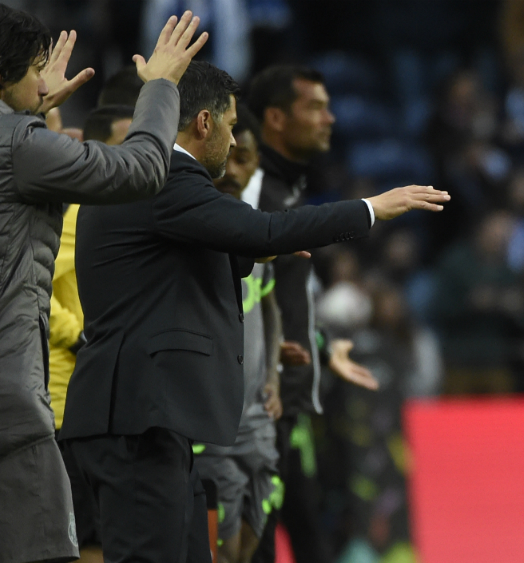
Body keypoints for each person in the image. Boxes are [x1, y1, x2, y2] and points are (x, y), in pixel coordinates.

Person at [59, 60, 449, 563]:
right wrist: (371, 208)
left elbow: (174, 264)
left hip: (147, 418)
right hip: (137, 418)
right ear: (204, 123)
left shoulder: (142, 178)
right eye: (229, 126)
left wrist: (253, 255)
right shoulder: (167, 177)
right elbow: (264, 230)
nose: (233, 140)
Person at [0, 5, 209, 562]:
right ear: (0, 72)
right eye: (33, 71)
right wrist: (160, 88)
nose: (44, 84)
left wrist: (28, 107)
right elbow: (142, 170)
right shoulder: (16, 145)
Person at [246, 65, 376, 563]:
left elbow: (287, 299)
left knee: (304, 535)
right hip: (260, 402)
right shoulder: (252, 192)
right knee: (254, 545)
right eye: (315, 107)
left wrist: (324, 346)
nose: (330, 118)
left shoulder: (286, 190)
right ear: (276, 118)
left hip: (289, 401)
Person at [193, 106, 283, 563]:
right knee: (222, 548)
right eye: (229, 157)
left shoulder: (256, 227)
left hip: (259, 419)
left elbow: (269, 306)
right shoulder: (196, 225)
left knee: (252, 540)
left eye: (243, 159)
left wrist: (274, 377)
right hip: (214, 423)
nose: (233, 170)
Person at [49, 104, 136, 563]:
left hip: (108, 400)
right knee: (90, 537)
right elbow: (33, 284)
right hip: (72, 402)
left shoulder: (121, 214)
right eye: (126, 147)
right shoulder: (83, 215)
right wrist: (80, 338)